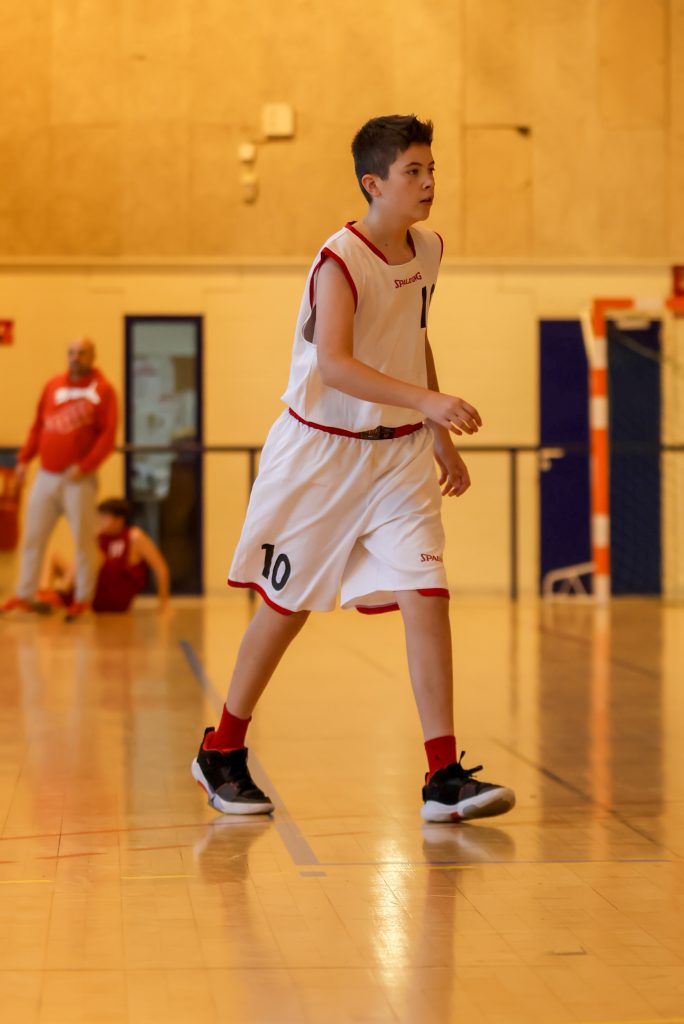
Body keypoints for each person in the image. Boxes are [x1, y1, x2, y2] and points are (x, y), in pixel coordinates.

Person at [192, 115, 516, 824]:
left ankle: (442, 774)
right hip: (322, 454)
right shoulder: (339, 261)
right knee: (287, 608)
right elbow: (336, 365)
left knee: (427, 591)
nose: (428, 182)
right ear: (374, 183)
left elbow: (413, 339)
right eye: (413, 171)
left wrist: (437, 434)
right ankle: (222, 748)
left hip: (398, 455)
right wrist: (428, 402)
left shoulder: (428, 249)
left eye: (432, 169)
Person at [0, 338, 117, 621]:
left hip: (79, 479)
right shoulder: (53, 385)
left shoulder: (103, 390)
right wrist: (24, 459)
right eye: (71, 352)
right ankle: (25, 594)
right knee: (33, 536)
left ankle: (83, 600)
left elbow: (108, 435)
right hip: (47, 475)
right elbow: (38, 425)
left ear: (93, 356)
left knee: (83, 541)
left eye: (82, 353)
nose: (76, 357)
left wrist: (86, 465)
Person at [35, 498, 170, 615]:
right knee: (53, 555)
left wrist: (163, 605)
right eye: (99, 517)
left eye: (105, 518)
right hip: (96, 590)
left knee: (92, 552)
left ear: (119, 520)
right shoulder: (99, 536)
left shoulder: (134, 536)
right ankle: (44, 595)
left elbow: (160, 568)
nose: (100, 521)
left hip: (116, 595)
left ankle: (61, 592)